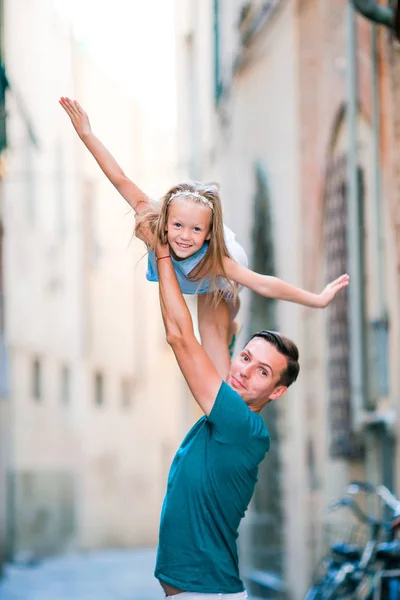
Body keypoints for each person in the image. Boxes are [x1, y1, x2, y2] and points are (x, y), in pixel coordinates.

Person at [59, 97, 349, 378]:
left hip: (222, 271)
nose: (184, 238)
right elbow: (119, 178)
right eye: (178, 227)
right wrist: (87, 134)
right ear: (166, 221)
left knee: (215, 343)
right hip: (200, 276)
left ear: (208, 233)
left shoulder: (218, 261)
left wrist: (317, 299)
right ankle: (228, 325)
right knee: (209, 327)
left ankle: (229, 327)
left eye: (195, 230)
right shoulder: (153, 222)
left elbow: (263, 283)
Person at [153, 235, 300, 598]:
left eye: (264, 372)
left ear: (276, 392)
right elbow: (214, 328)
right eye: (246, 358)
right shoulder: (232, 400)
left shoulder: (240, 425)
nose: (246, 371)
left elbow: (179, 336)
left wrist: (161, 253)